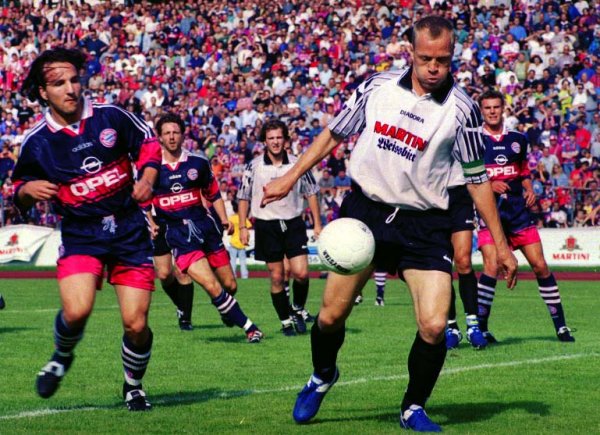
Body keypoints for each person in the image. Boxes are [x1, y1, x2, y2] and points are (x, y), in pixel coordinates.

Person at [261, 17, 517, 432]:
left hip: (425, 224)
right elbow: (334, 134)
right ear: (410, 52)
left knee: (435, 325)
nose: (434, 67)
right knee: (329, 317)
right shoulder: (378, 87)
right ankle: (322, 375)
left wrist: (502, 247)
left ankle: (412, 407)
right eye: (426, 58)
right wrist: (290, 177)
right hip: (367, 214)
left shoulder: (463, 109)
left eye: (443, 60)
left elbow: (476, 178)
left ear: (453, 56)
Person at [14, 48, 161, 411]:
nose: (70, 89)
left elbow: (148, 143)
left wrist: (147, 177)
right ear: (43, 92)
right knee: (77, 311)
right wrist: (29, 190)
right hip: (81, 235)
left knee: (136, 324)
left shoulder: (110, 116)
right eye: (58, 83)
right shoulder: (38, 142)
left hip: (129, 230)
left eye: (74, 80)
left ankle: (133, 386)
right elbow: (19, 191)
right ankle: (62, 355)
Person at [146, 113, 263, 343]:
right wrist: (150, 221)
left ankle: (225, 307)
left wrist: (225, 219)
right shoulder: (152, 169)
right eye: (167, 133)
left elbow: (213, 193)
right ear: (160, 137)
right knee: (210, 284)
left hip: (205, 228)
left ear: (183, 135)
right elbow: (142, 200)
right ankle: (250, 328)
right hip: (177, 233)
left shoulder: (198, 163)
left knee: (229, 285)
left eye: (176, 132)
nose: (172, 137)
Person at [476, 90, 575, 344]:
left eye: (496, 107)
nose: (492, 111)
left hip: (518, 213)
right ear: (481, 111)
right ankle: (481, 330)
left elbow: (523, 172)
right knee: (491, 267)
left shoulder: (518, 139)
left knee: (540, 266)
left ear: (503, 109)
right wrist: (490, 184)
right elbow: (466, 177)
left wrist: (529, 188)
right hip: (490, 215)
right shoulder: (474, 140)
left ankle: (561, 327)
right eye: (487, 108)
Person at [238, 119, 322, 336]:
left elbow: (312, 192)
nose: (275, 142)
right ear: (264, 141)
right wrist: (243, 226)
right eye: (271, 138)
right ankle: (285, 322)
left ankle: (297, 308)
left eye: (279, 137)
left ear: (285, 140)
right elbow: (243, 196)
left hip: (293, 223)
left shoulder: (297, 163)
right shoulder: (254, 166)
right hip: (267, 226)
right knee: (277, 276)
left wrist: (317, 223)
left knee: (301, 273)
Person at [444, 171, 487, 350]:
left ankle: (473, 325)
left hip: (460, 192)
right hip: (432, 193)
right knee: (442, 266)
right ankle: (451, 327)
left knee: (463, 261)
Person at [228, 199, 251, 280]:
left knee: (232, 261)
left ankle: (233, 275)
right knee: (243, 261)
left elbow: (228, 229)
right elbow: (248, 228)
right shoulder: (243, 219)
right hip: (242, 242)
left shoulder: (231, 218)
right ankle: (244, 276)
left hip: (233, 242)